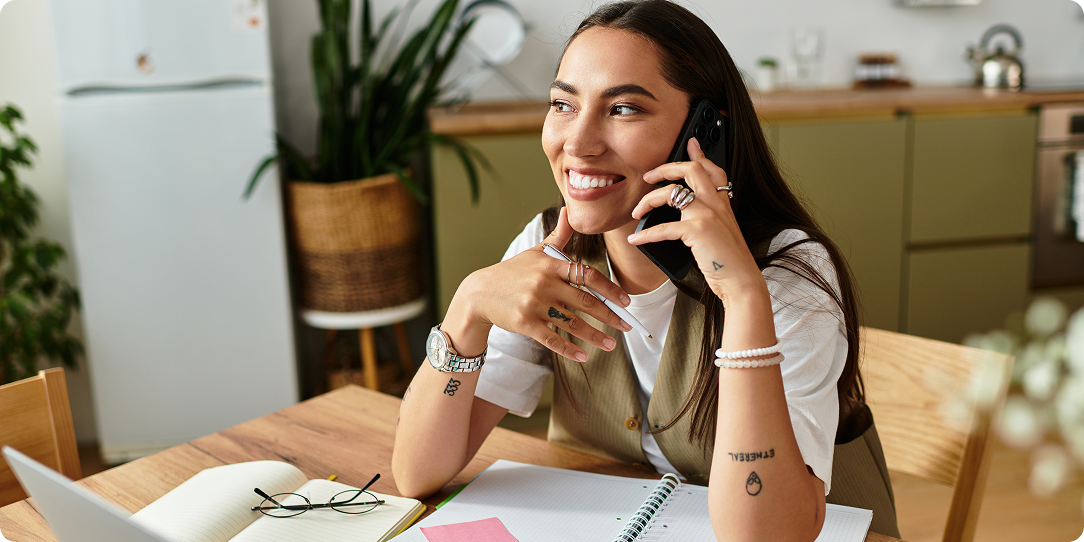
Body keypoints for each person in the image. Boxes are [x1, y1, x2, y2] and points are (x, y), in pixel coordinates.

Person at [393, 1, 899, 540]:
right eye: (563, 104)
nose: (578, 143)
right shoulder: (549, 248)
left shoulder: (784, 272)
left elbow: (765, 535)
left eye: (625, 109)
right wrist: (468, 308)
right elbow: (416, 472)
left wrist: (746, 301)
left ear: (706, 133)